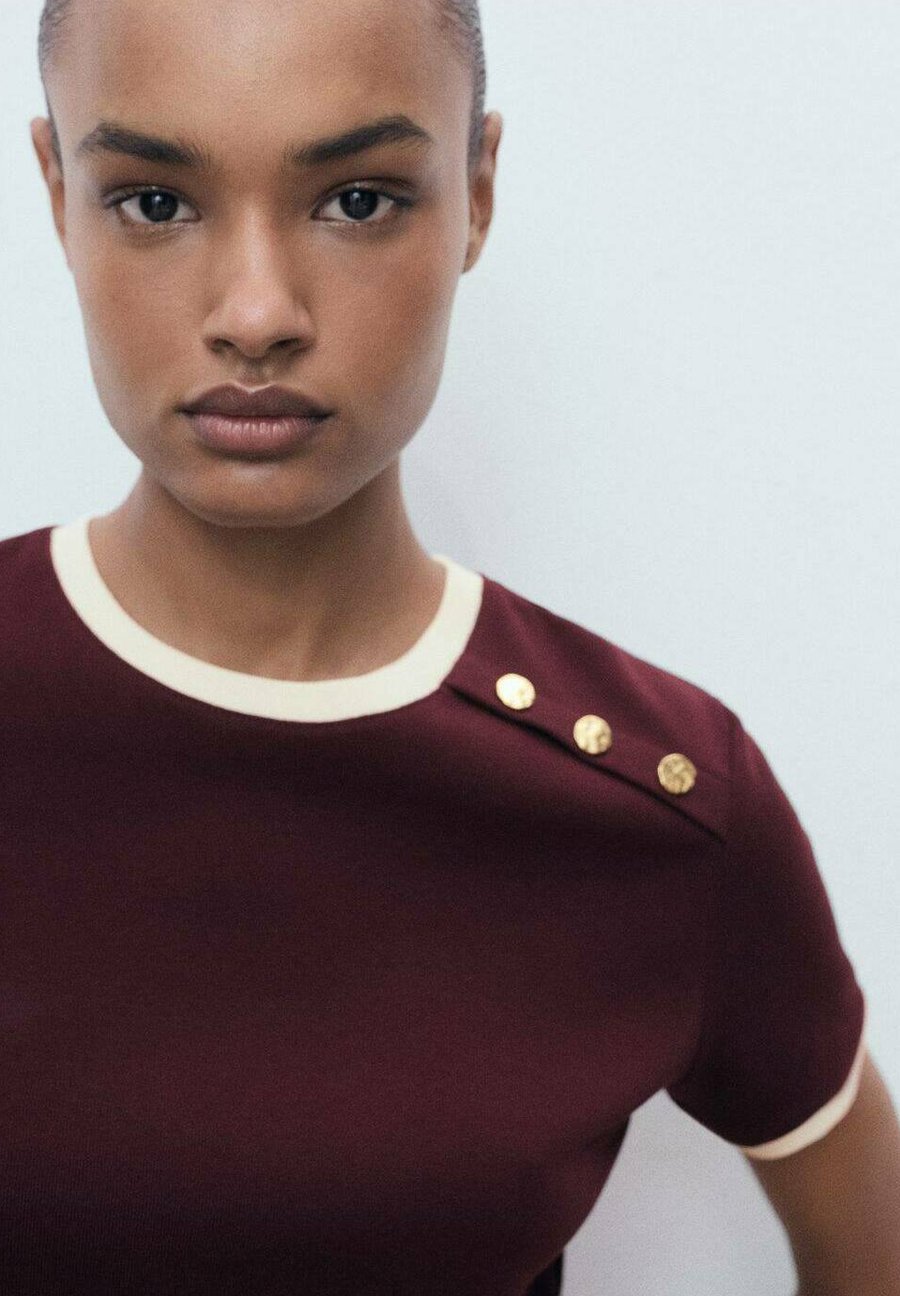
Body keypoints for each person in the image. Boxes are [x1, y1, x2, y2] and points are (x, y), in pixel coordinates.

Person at [4, 0, 898, 1291]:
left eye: (357, 200)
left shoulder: (661, 801)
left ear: (476, 191)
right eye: (155, 202)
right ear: (57, 192)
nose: (256, 312)